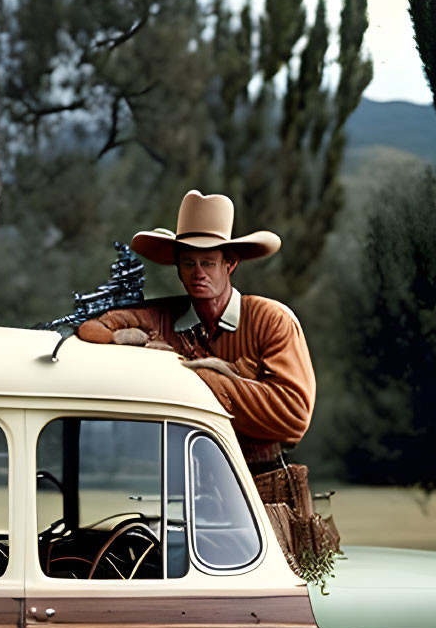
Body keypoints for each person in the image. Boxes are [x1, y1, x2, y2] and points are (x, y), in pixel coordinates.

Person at [75, 191, 314, 472]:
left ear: (230, 264)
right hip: (191, 480)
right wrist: (124, 340)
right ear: (178, 268)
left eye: (208, 263)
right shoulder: (162, 316)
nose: (198, 273)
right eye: (189, 263)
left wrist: (188, 372)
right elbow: (92, 329)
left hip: (263, 484)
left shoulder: (272, 320)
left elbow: (292, 417)